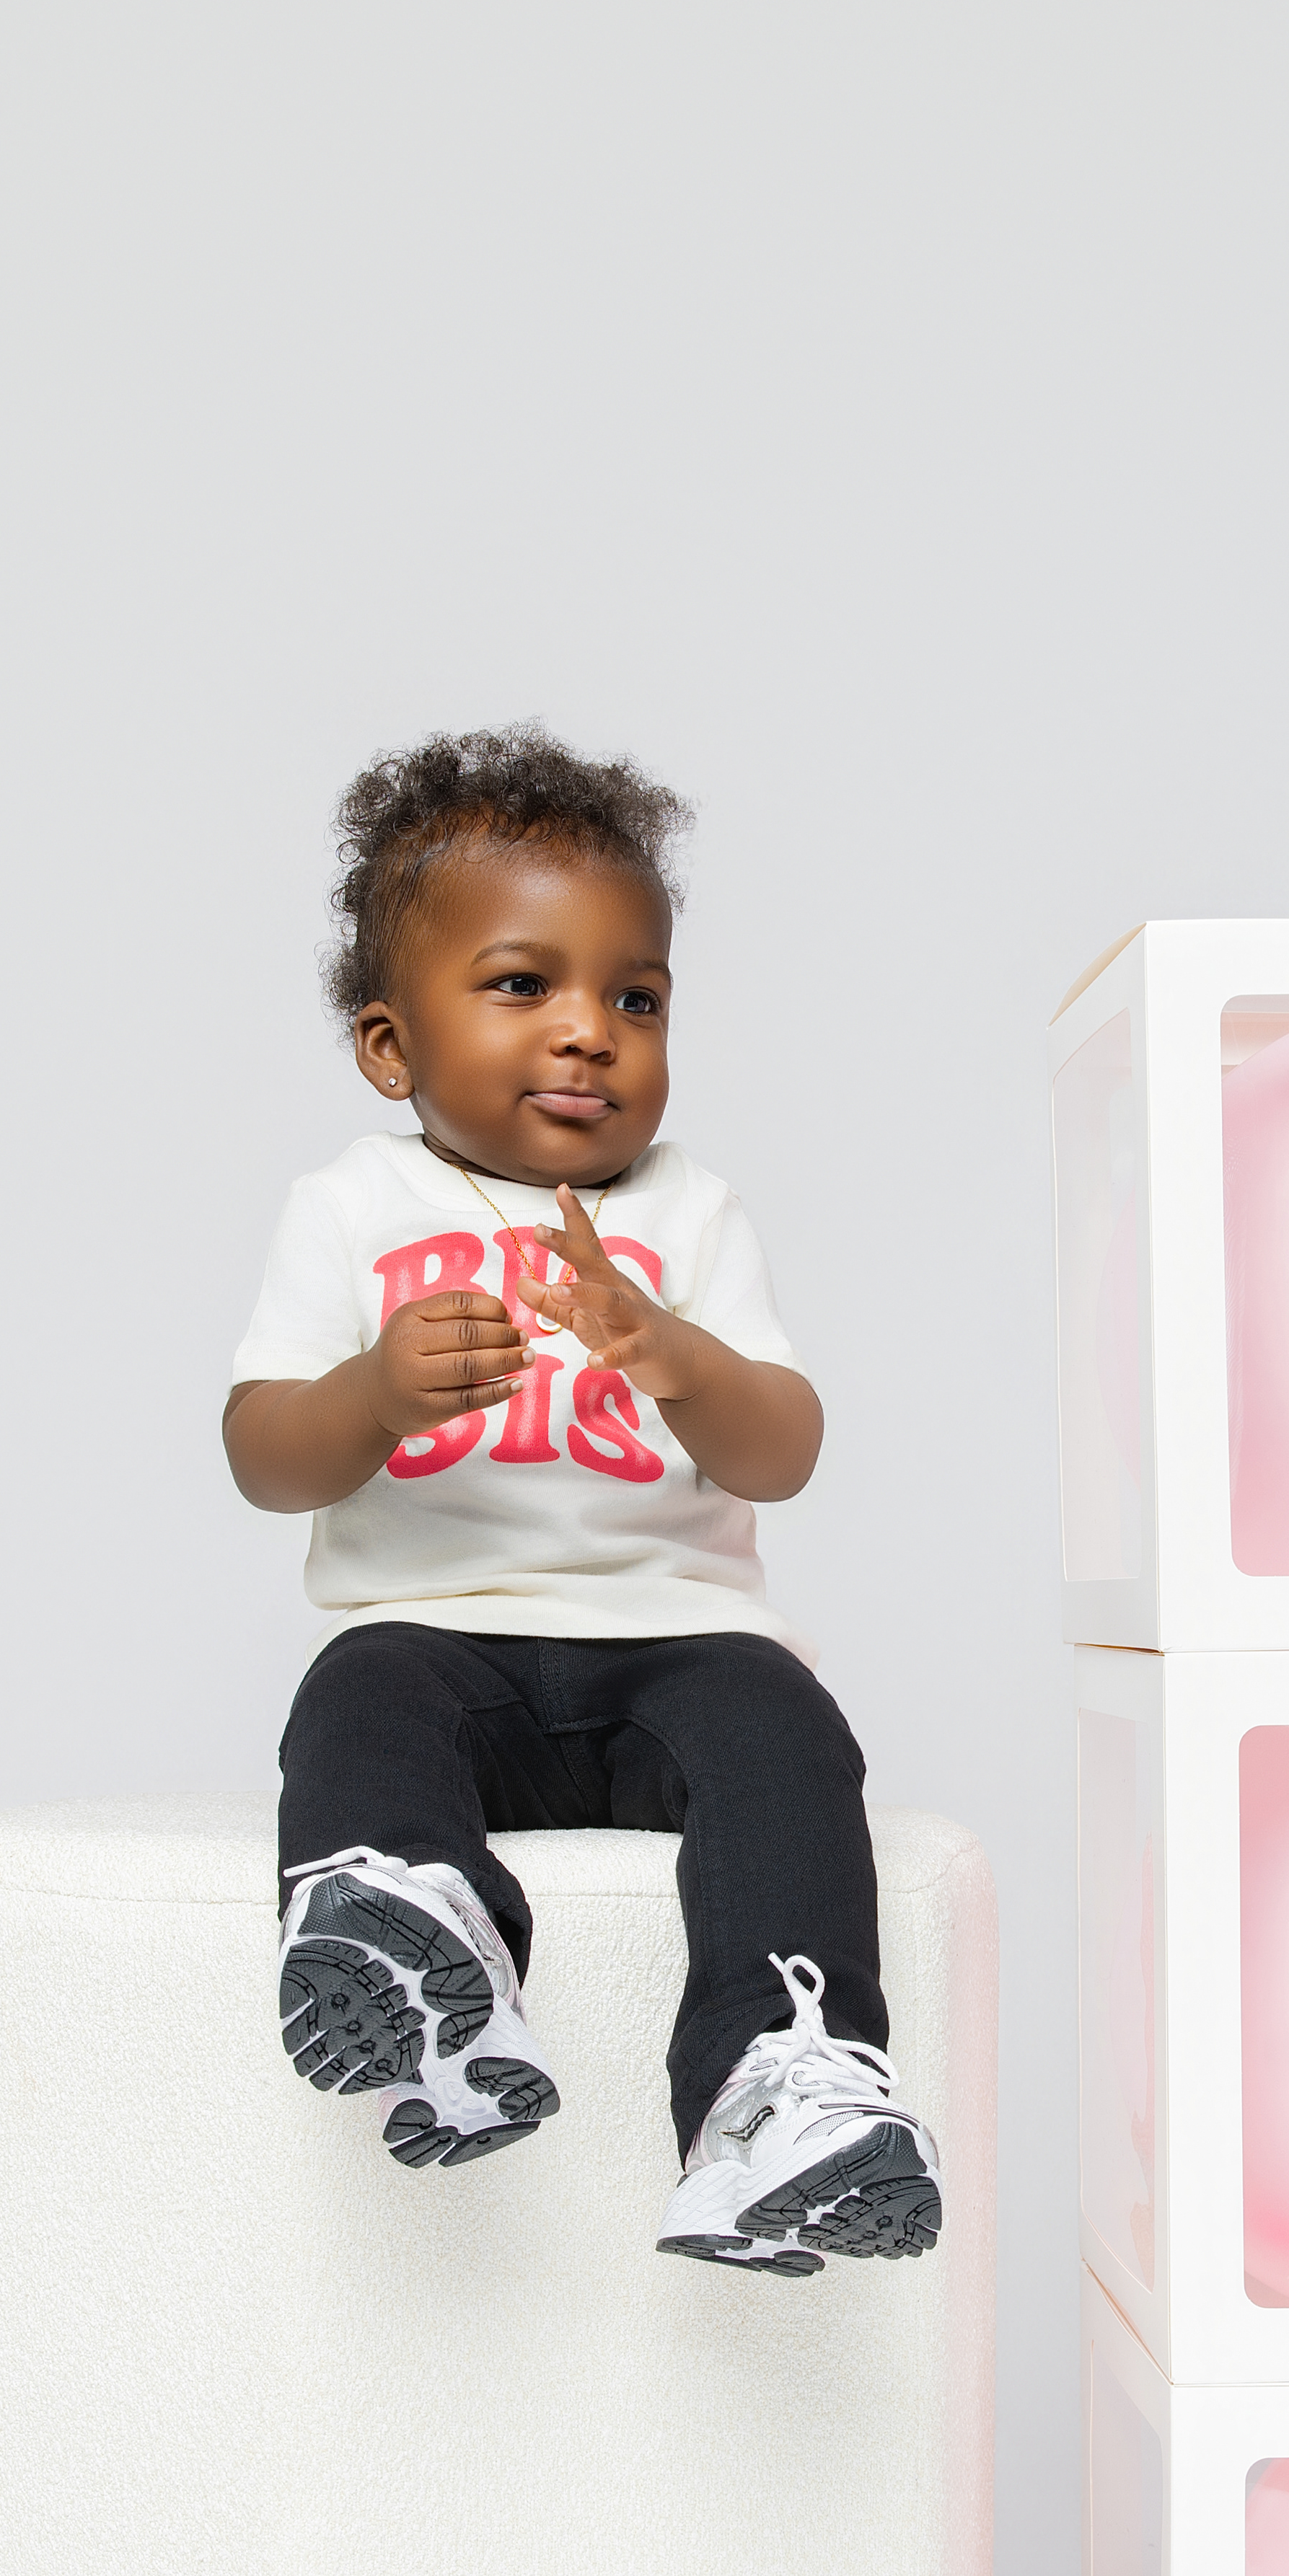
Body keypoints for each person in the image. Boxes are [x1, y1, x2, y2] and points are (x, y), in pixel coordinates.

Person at [223, 725, 940, 2275]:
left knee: (787, 1731)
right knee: (356, 1697)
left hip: (674, 1648)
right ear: (391, 1047)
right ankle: (420, 1947)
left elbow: (784, 1452)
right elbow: (266, 1455)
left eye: (636, 998)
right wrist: (375, 1393)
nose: (588, 1033)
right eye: (520, 985)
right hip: (441, 1636)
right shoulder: (353, 1206)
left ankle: (785, 2087)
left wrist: (672, 1351)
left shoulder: (692, 1211)